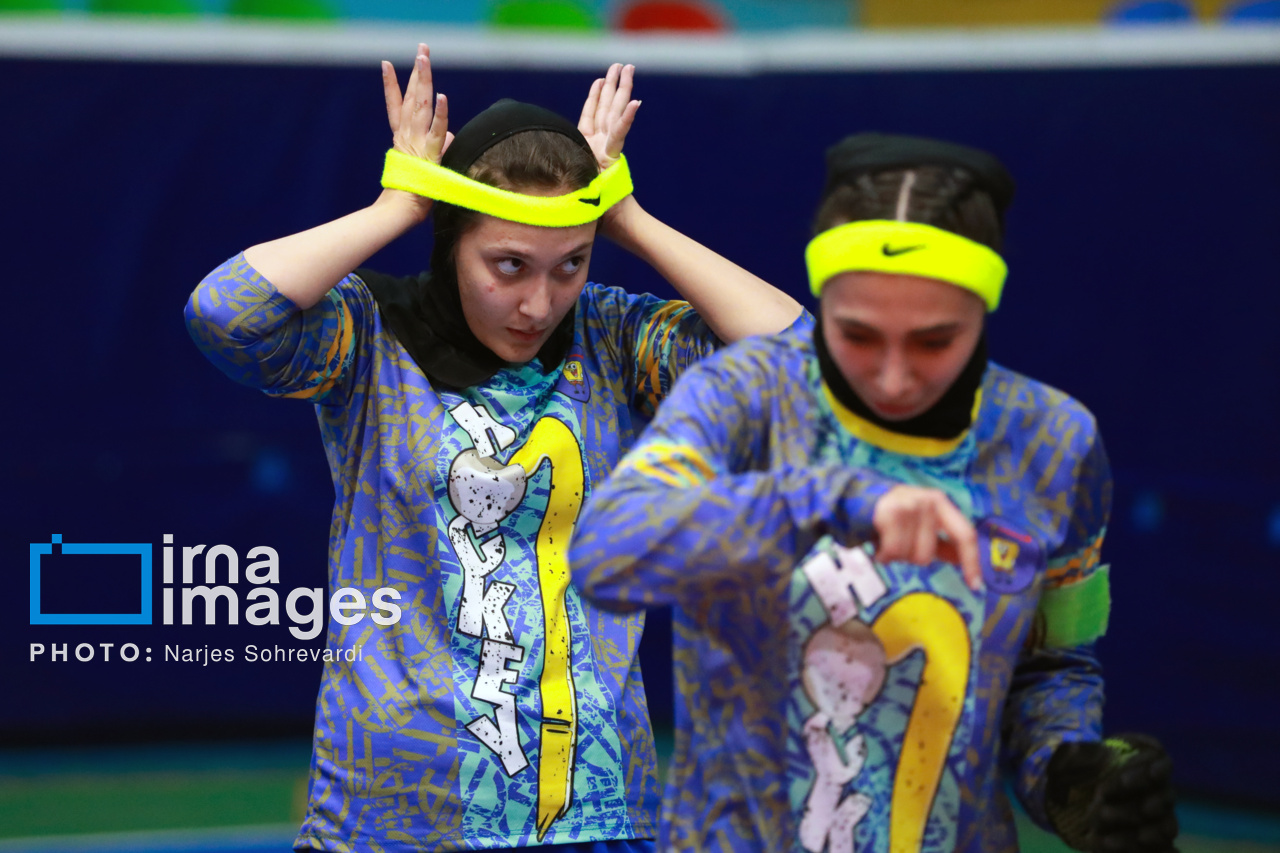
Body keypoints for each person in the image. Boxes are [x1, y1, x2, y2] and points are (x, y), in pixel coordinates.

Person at [185, 45, 802, 852]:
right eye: (508, 266)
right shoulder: (369, 336)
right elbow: (222, 313)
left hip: (596, 810)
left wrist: (627, 219)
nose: (538, 303)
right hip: (395, 814)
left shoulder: (615, 338)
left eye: (571, 264)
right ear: (453, 242)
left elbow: (799, 366)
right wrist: (398, 205)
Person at [568, 133, 1179, 852]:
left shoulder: (1053, 443)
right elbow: (608, 553)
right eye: (857, 335)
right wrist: (833, 499)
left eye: (932, 341)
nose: (892, 377)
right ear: (822, 303)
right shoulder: (746, 394)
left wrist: (1070, 775)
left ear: (982, 308)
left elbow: (1053, 661)